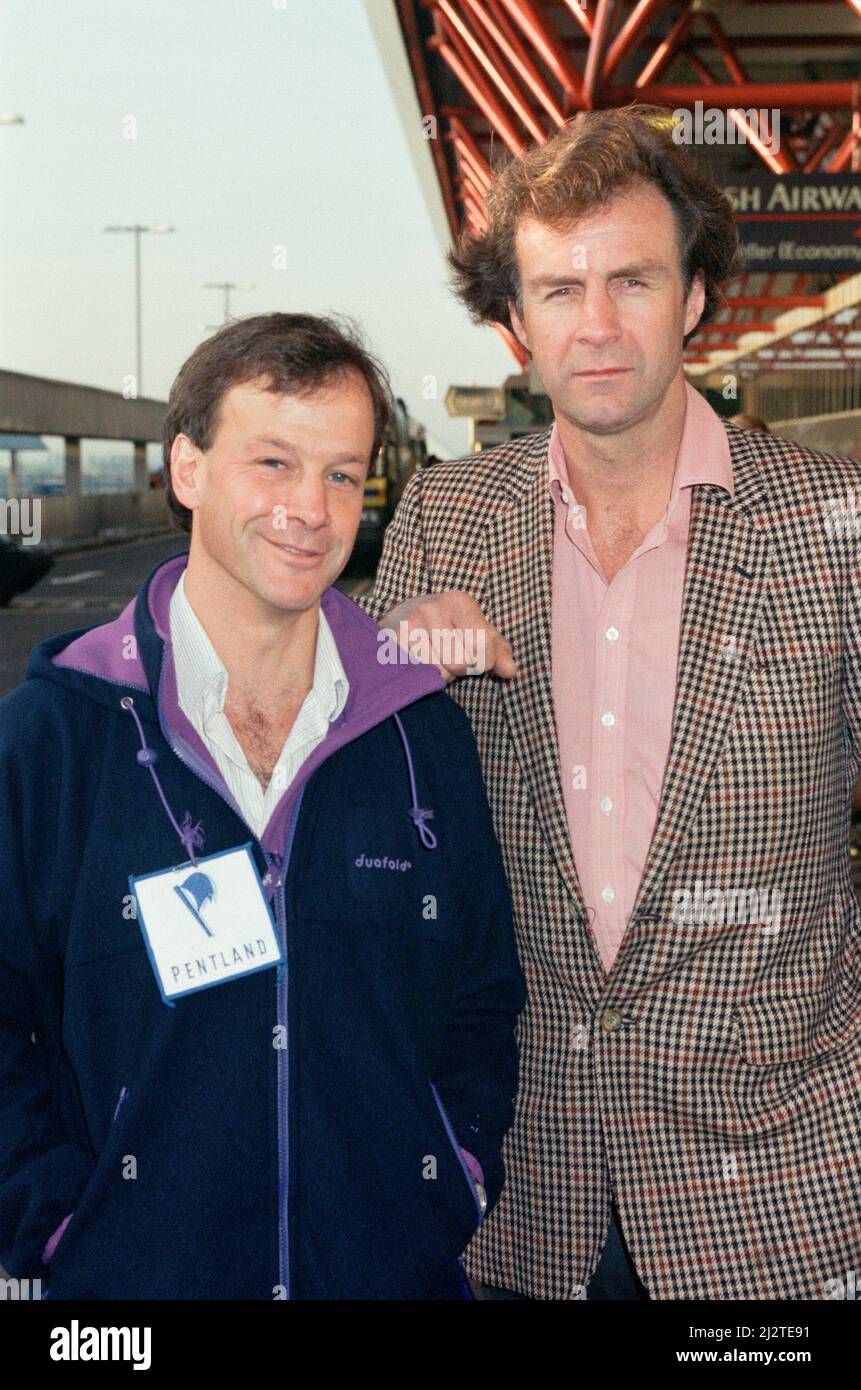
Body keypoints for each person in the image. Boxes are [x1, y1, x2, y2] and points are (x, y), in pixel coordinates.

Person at [361, 104, 861, 1301]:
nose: (596, 326)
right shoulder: (444, 519)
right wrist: (378, 674)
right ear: (515, 325)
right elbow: (362, 821)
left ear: (695, 299)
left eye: (631, 279)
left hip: (778, 1190)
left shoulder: (832, 527)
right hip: (522, 1183)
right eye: (557, 290)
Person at [0, 312, 525, 1300]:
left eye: (340, 472)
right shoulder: (55, 739)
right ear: (187, 470)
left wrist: (451, 1173)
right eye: (273, 462)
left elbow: (481, 995)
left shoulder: (422, 736)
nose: (312, 511)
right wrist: (59, 1219)